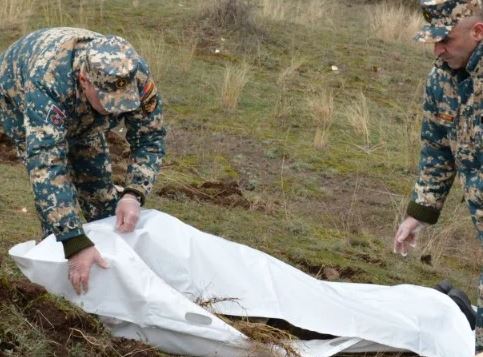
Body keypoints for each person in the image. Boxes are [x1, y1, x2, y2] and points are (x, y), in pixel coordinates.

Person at [0, 27, 166, 295]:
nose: (118, 110)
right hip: (16, 96)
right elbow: (47, 165)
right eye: (109, 102)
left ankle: (110, 276)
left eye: (124, 102)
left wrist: (134, 194)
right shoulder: (47, 82)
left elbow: (150, 138)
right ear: (84, 79)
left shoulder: (135, 74)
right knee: (58, 216)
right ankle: (60, 277)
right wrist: (74, 240)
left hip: (82, 112)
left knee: (101, 197)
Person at [392, 0, 483, 353]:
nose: (437, 49)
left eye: (445, 39)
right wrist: (420, 212)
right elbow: (437, 148)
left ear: (478, 32)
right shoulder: (441, 79)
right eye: (434, 40)